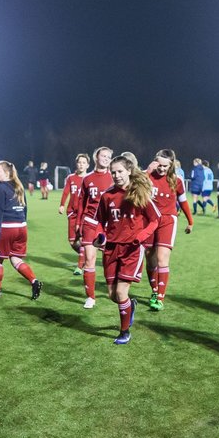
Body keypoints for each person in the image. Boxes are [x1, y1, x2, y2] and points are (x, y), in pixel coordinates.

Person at [82, 155, 160, 344]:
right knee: (112, 295)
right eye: (113, 172)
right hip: (110, 249)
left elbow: (155, 219)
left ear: (129, 171)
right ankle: (130, 306)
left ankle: (124, 331)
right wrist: (100, 236)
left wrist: (141, 237)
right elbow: (100, 221)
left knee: (120, 293)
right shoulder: (107, 195)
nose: (116, 175)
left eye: (120, 171)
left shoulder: (139, 193)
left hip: (131, 250)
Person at [0, 160, 42, 300]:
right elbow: (25, 208)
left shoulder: (0, 188)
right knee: (16, 259)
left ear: (7, 173)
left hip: (6, 228)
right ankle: (34, 282)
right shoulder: (19, 186)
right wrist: (23, 224)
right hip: (21, 227)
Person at [144, 149, 194, 310]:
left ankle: (160, 297)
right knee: (149, 257)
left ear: (171, 164)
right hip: (149, 220)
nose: (162, 168)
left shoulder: (177, 180)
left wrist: (190, 221)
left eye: (166, 165)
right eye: (159, 164)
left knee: (162, 258)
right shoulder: (147, 175)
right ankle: (154, 290)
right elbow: (133, 189)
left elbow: (184, 201)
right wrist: (147, 171)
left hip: (168, 220)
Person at [74, 146, 115, 308]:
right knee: (90, 260)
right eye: (103, 156)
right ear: (96, 157)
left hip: (110, 225)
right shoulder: (87, 179)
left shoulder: (114, 177)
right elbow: (81, 204)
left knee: (110, 261)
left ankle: (113, 289)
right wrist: (78, 223)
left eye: (108, 157)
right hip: (90, 223)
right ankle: (90, 297)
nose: (105, 159)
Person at [59, 153, 91, 275]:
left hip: (84, 213)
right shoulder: (71, 177)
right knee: (73, 241)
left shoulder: (89, 178)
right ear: (76, 164)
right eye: (79, 162)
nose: (81, 165)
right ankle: (87, 255)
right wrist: (62, 204)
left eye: (84, 162)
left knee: (83, 239)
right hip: (72, 212)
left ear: (88, 165)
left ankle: (79, 266)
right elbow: (66, 191)